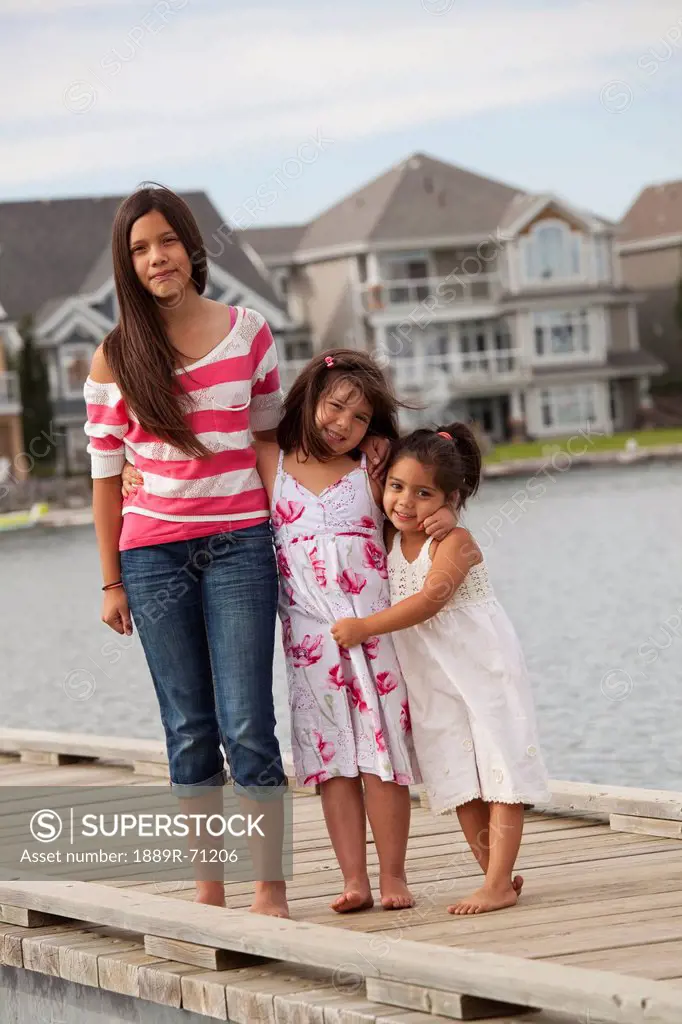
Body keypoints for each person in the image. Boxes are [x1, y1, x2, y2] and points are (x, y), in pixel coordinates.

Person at [84, 184, 292, 916]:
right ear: (127, 264)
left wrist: (290, 529)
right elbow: (106, 482)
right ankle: (210, 892)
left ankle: (270, 888)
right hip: (152, 556)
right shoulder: (114, 359)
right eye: (139, 249)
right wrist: (111, 582)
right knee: (189, 727)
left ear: (190, 245)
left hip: (240, 545)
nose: (156, 258)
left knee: (247, 721)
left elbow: (266, 440)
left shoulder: (250, 333)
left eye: (165, 241)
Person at [252, 350, 459, 914]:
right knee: (333, 763)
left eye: (360, 417)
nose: (343, 423)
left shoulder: (374, 471)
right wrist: (131, 469)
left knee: (382, 755)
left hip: (374, 635)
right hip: (311, 641)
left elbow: (419, 500)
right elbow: (211, 442)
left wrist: (445, 517)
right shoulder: (272, 460)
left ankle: (394, 876)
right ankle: (354, 880)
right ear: (309, 397)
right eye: (335, 406)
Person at [331, 423, 550, 915]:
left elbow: (432, 598)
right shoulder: (391, 535)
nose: (405, 502)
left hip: (482, 670)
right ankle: (497, 874)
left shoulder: (457, 541)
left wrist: (366, 626)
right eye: (396, 486)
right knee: (456, 776)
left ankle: (495, 885)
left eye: (424, 493)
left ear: (450, 499)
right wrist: (373, 449)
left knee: (500, 768)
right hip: (431, 679)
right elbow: (370, 477)